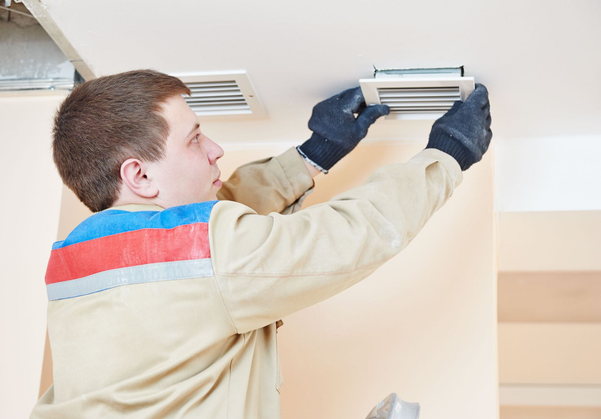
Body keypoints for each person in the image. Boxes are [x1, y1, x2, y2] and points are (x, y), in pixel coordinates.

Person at [30, 69, 492, 418]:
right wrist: (447, 155)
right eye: (194, 140)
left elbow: (205, 236)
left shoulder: (74, 266)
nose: (215, 150)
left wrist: (314, 156)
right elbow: (352, 234)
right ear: (140, 175)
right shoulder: (205, 255)